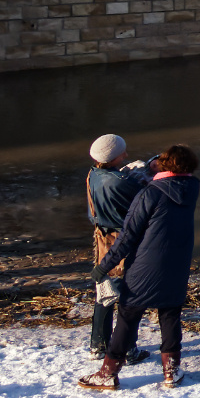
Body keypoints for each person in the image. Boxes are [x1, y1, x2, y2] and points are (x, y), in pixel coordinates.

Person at [79, 143, 200, 391]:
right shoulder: (191, 187)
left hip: (146, 265)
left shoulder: (150, 193)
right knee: (170, 315)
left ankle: (108, 372)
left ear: (164, 165)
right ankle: (171, 372)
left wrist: (104, 266)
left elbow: (127, 236)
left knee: (128, 317)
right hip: (177, 264)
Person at [84, 134, 149, 365]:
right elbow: (146, 198)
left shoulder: (93, 174)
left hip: (102, 238)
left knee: (105, 291)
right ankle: (128, 350)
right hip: (123, 242)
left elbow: (93, 212)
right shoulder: (120, 182)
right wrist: (143, 174)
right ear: (113, 158)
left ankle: (98, 344)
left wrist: (126, 172)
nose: (127, 155)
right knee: (128, 296)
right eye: (123, 153)